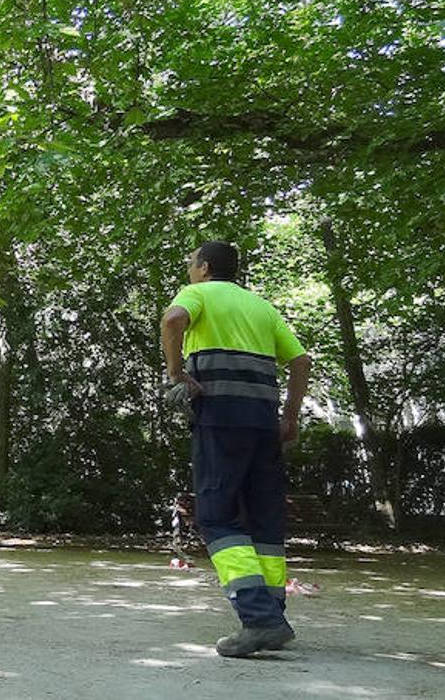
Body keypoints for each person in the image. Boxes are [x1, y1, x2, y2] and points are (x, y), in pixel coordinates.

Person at [161, 241, 312, 658]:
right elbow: (301, 362)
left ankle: (259, 620)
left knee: (217, 517)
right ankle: (273, 614)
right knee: (263, 520)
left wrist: (176, 375)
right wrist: (290, 417)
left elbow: (173, 321)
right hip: (263, 423)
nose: (190, 270)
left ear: (205, 268)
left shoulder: (199, 294)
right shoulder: (261, 307)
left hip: (219, 419)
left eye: (191, 263)